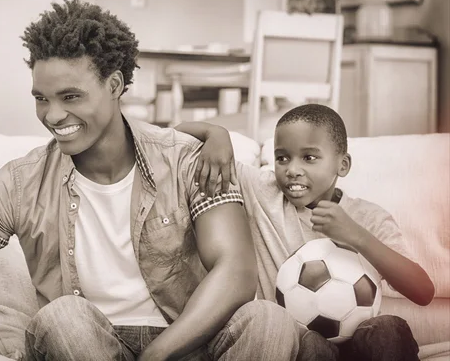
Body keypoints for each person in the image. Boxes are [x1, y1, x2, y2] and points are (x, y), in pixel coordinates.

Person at [0, 0, 300, 361]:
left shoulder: (187, 159)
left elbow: (236, 272)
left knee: (268, 320)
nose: (52, 115)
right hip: (84, 344)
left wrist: (157, 354)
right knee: (62, 318)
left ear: (115, 84)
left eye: (71, 97)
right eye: (41, 98)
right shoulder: (19, 183)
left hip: (189, 341)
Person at [178, 104, 435, 361]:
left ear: (342, 165)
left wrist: (356, 235)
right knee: (304, 340)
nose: (292, 169)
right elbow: (174, 139)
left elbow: (423, 292)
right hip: (299, 347)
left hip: (359, 349)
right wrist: (216, 133)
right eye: (282, 158)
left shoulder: (370, 217)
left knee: (388, 327)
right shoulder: (263, 192)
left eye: (309, 157)